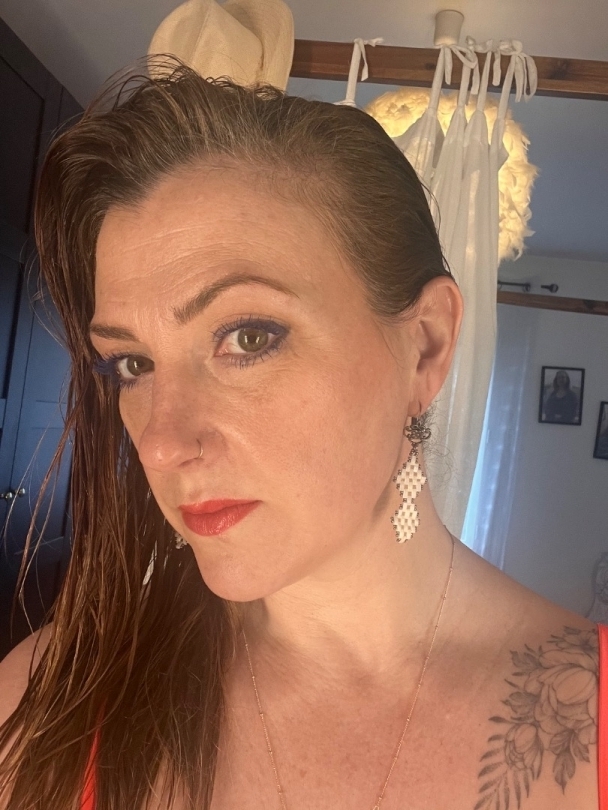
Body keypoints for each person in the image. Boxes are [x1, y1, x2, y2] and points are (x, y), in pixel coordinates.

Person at [0, 63, 605, 810]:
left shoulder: (589, 718)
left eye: (248, 337)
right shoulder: (46, 702)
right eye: (133, 364)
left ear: (424, 347)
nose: (159, 444)